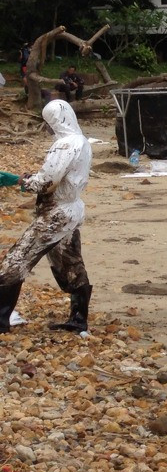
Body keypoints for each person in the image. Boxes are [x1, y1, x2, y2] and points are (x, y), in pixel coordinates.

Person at [0, 100, 94, 334]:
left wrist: (24, 181)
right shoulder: (82, 141)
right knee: (70, 263)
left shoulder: (64, 144)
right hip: (72, 209)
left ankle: (1, 320)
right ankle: (79, 319)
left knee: (15, 262)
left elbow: (47, 182)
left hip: (55, 214)